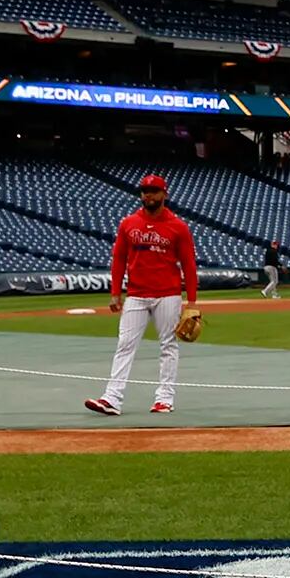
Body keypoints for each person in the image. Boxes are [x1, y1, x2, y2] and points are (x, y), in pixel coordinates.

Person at [84, 174, 200, 417]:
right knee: (125, 344)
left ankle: (164, 398)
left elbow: (189, 265)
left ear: (164, 194)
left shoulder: (178, 226)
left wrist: (192, 302)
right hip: (136, 293)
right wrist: (115, 292)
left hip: (167, 294)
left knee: (168, 345)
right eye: (145, 190)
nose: (148, 195)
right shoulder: (128, 223)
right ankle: (112, 398)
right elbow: (119, 259)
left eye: (154, 191)